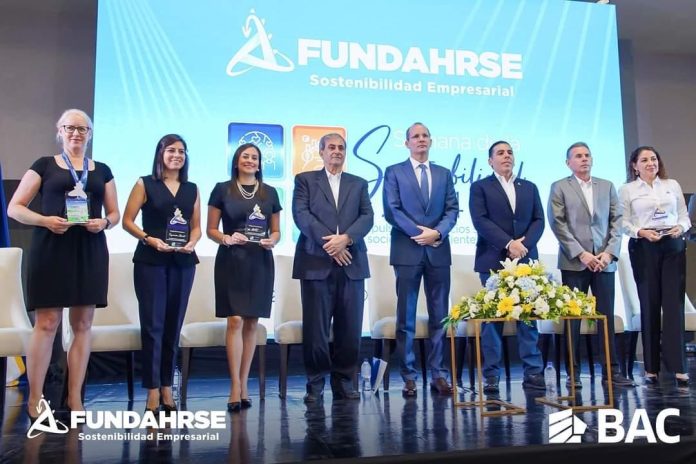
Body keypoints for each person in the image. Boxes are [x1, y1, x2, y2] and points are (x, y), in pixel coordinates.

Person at [7, 109, 120, 419]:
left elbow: (114, 214)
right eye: (70, 128)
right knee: (46, 324)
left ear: (90, 135)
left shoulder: (102, 170)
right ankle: (35, 399)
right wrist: (44, 220)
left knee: (83, 325)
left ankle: (75, 398)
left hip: (89, 249)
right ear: (60, 131)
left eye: (82, 129)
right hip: (51, 248)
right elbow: (15, 208)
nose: (76, 133)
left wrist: (104, 223)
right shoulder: (44, 165)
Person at [292, 133, 373, 403]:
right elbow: (302, 215)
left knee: (350, 328)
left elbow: (367, 217)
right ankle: (315, 384)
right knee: (315, 330)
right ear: (321, 152)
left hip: (352, 262)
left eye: (340, 147)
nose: (336, 151)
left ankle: (345, 381)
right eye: (331, 147)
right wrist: (332, 244)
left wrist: (346, 239)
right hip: (316, 262)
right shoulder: (305, 180)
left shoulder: (359, 184)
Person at [122, 134, 201, 413]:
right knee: (153, 326)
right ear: (160, 154)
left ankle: (167, 386)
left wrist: (193, 242)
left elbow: (196, 226)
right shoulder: (145, 183)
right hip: (151, 261)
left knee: (172, 326)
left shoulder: (192, 188)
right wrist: (149, 239)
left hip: (183, 262)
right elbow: (127, 221)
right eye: (171, 150)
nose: (176, 155)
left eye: (181, 151)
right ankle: (152, 390)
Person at [547, 142, 634, 389]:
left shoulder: (607, 186)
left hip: (604, 262)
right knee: (573, 319)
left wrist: (609, 253)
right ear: (569, 163)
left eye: (587, 155)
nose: (584, 159)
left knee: (605, 317)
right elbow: (558, 224)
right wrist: (582, 254)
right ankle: (573, 373)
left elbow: (617, 222)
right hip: (574, 263)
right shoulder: (559, 187)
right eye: (578, 156)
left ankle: (611, 371)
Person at [382, 122, 459, 397]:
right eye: (415, 136)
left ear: (431, 141)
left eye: (425, 135)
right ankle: (409, 376)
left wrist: (437, 233)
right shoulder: (394, 172)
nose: (421, 139)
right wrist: (420, 234)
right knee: (406, 318)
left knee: (440, 317)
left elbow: (452, 209)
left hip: (438, 251)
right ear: (407, 143)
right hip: (407, 250)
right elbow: (392, 210)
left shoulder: (443, 173)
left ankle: (439, 374)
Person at [208, 143, 281, 411]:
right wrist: (226, 238)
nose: (250, 160)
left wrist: (273, 240)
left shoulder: (270, 192)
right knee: (235, 320)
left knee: (251, 323)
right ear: (236, 161)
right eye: (245, 156)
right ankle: (234, 386)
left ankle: (245, 383)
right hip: (232, 259)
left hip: (260, 261)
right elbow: (211, 229)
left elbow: (276, 231)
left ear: (260, 164)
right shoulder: (222, 189)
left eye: (255, 157)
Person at [469, 140, 545, 393]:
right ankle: (491, 374)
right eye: (500, 153)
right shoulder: (480, 187)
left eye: (510, 152)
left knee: (528, 318)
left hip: (525, 260)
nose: (506, 156)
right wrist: (508, 243)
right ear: (490, 161)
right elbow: (480, 221)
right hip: (493, 260)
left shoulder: (529, 187)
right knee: (494, 319)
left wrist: (522, 245)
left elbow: (538, 220)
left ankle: (533, 372)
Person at [619, 146, 691, 387]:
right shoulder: (627, 189)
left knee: (673, 305)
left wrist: (680, 227)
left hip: (672, 244)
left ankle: (678, 367)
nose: (651, 163)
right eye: (644, 160)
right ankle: (651, 368)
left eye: (653, 159)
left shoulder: (672, 185)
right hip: (644, 246)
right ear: (634, 165)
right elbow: (623, 222)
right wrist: (640, 232)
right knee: (649, 303)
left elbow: (684, 216)